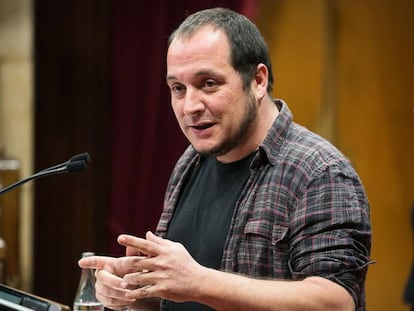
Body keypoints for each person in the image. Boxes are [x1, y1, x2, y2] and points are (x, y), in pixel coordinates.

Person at [79, 7, 372, 311]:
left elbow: (336, 303)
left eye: (208, 83)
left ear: (258, 80)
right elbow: (187, 297)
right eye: (178, 88)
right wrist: (134, 293)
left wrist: (198, 282)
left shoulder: (319, 172)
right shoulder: (190, 161)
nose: (190, 106)